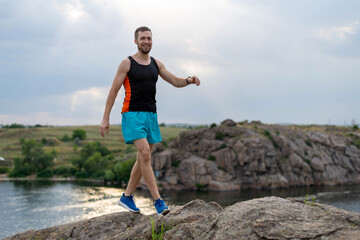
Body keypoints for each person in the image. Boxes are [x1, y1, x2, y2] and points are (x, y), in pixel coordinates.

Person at [99, 26, 200, 215]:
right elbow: (113, 90)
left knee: (142, 158)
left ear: (152, 41)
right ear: (136, 41)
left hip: (151, 115)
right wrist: (105, 118)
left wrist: (188, 80)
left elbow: (175, 81)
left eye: (149, 38)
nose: (146, 41)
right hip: (131, 114)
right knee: (145, 153)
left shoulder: (156, 64)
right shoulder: (126, 63)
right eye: (143, 38)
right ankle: (159, 201)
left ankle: (127, 197)